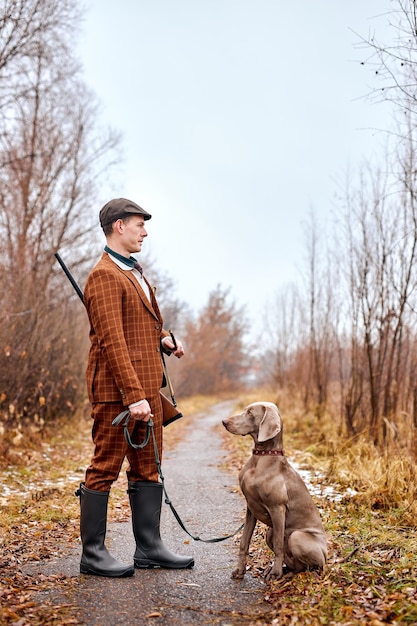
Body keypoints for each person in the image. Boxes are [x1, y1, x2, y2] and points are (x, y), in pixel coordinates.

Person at [77, 197, 194, 577]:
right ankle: (93, 554)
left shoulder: (135, 272)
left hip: (147, 390)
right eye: (138, 223)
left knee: (148, 469)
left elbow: (136, 325)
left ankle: (150, 548)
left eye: (144, 224)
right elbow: (112, 341)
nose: (144, 230)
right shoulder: (103, 275)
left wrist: (163, 338)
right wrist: (134, 397)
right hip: (119, 396)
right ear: (117, 227)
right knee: (104, 468)